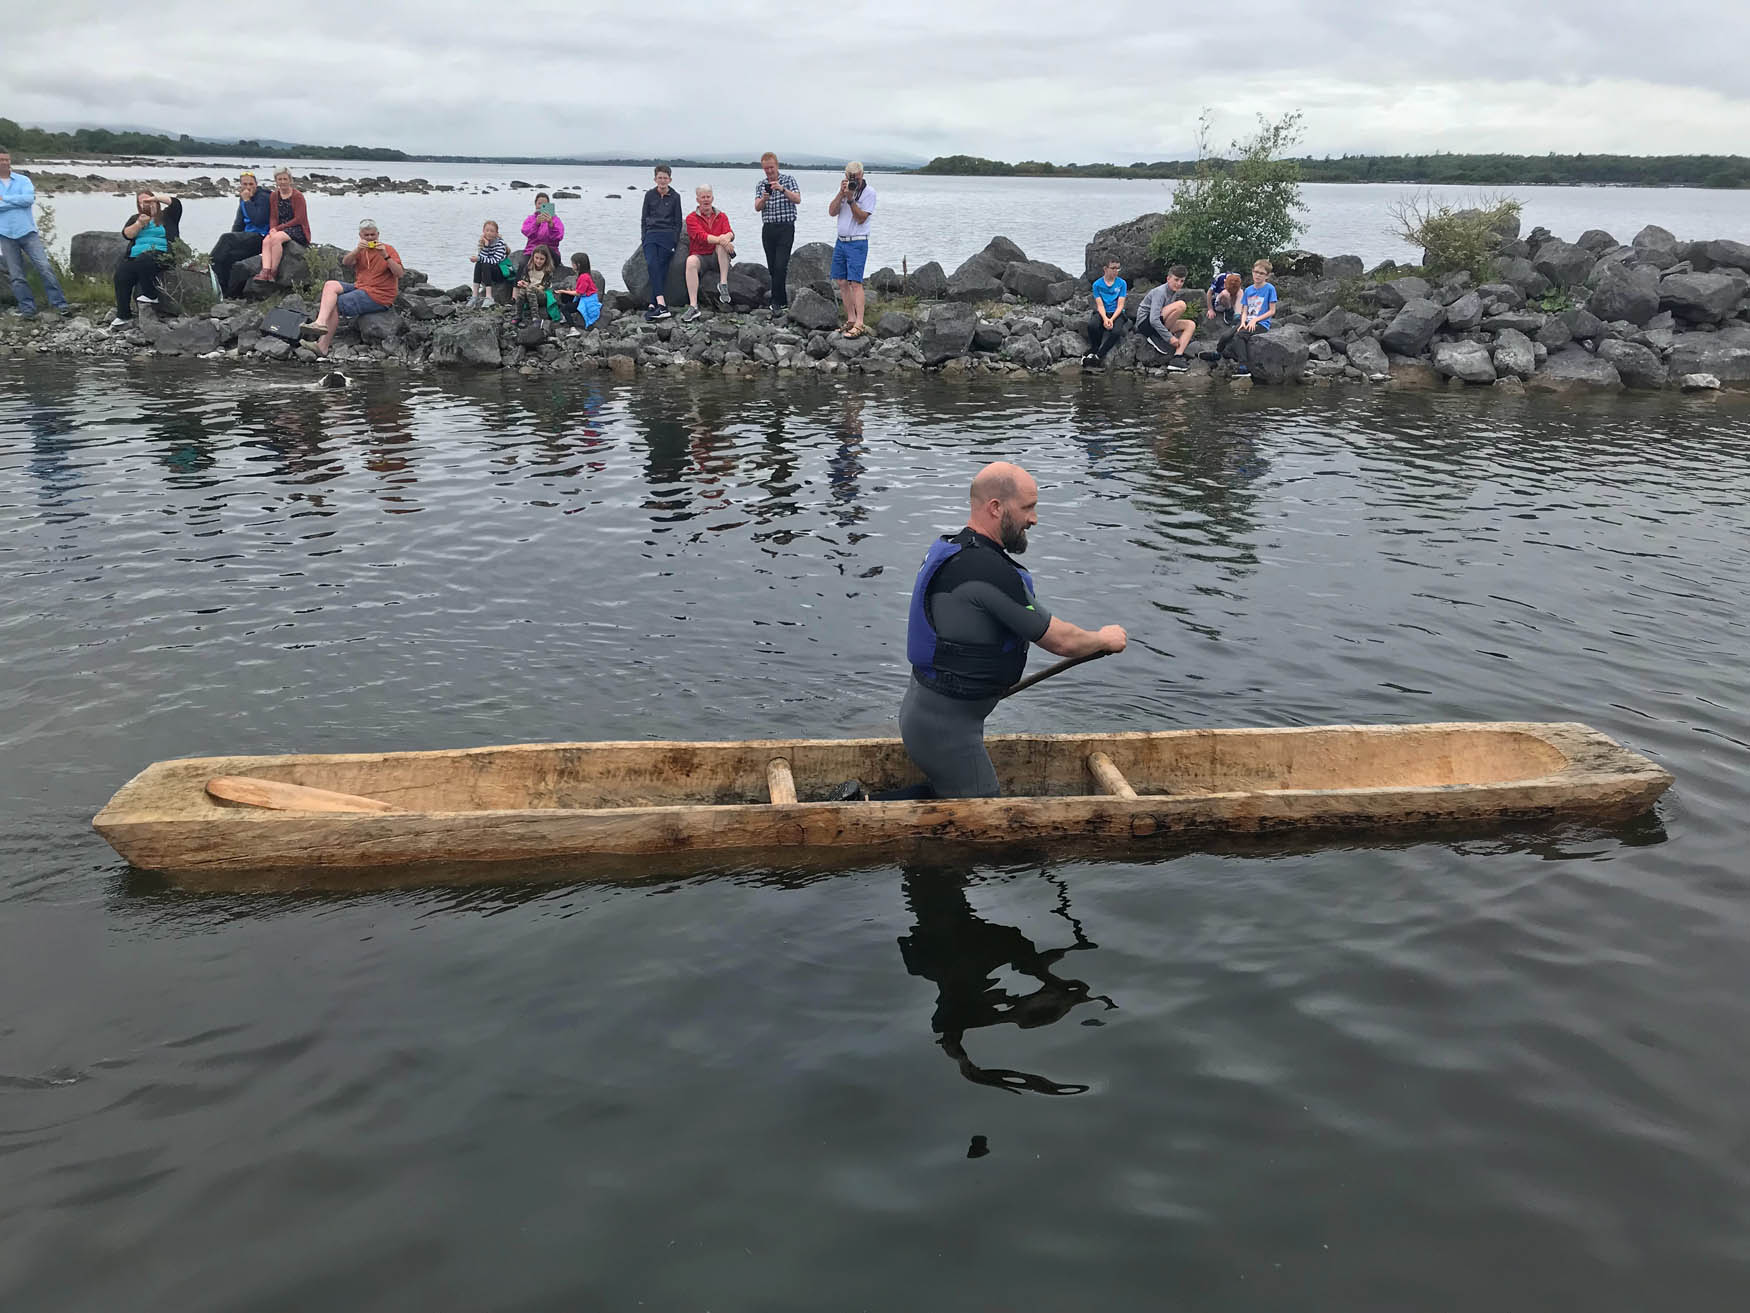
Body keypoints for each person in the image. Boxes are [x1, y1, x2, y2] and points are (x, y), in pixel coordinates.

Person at [898, 462, 1127, 799]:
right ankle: (860, 810)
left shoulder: (955, 550)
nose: (1033, 519)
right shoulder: (987, 571)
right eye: (1028, 508)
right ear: (996, 507)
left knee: (951, 796)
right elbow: (1061, 640)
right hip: (945, 728)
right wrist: (1104, 639)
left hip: (930, 713)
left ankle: (862, 801)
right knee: (983, 812)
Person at [301, 220, 402, 356]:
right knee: (330, 285)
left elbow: (399, 273)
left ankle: (323, 346)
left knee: (335, 303)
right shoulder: (360, 250)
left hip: (379, 295)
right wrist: (357, 250)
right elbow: (346, 262)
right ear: (360, 235)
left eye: (373, 235)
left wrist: (386, 256)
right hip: (360, 287)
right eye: (367, 235)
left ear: (378, 234)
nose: (370, 238)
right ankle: (320, 322)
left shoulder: (388, 249)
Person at [0, 148, 72, 320]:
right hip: (5, 234)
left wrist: (4, 200)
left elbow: (28, 200)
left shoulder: (23, 180)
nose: (4, 163)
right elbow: (21, 201)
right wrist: (16, 201)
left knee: (44, 267)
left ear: (10, 161)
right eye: (1, 160)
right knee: (16, 275)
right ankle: (27, 309)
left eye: (6, 159)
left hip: (28, 232)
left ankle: (60, 304)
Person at [111, 189, 183, 327]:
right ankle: (123, 315)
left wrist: (156, 197)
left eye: (148, 201)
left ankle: (151, 295)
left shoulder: (168, 216)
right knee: (122, 274)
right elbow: (127, 235)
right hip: (136, 256)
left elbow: (176, 203)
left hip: (162, 254)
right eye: (142, 203)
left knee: (144, 260)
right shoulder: (136, 218)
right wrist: (139, 224)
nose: (146, 205)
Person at [828, 161, 876, 337]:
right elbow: (832, 212)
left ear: (862, 175)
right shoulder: (844, 190)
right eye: (850, 177)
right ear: (846, 176)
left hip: (858, 242)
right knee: (841, 281)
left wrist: (851, 199)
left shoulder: (869, 193)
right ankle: (850, 319)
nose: (853, 180)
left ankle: (860, 323)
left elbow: (861, 218)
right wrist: (841, 194)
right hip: (841, 241)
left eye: (856, 177)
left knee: (855, 282)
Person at [753, 151, 800, 319]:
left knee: (781, 265)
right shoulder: (761, 184)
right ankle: (782, 300)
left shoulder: (788, 180)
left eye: (771, 168)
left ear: (777, 165)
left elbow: (797, 199)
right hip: (769, 229)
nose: (769, 171)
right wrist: (764, 198)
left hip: (786, 227)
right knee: (773, 267)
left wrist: (782, 189)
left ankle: (776, 301)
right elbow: (757, 207)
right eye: (766, 169)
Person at [209, 172, 271, 299]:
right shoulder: (243, 197)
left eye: (251, 184)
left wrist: (247, 201)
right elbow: (239, 223)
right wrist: (233, 242)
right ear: (240, 185)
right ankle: (225, 292)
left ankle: (209, 264)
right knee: (228, 257)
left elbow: (258, 220)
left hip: (261, 237)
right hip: (246, 237)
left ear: (256, 185)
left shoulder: (263, 197)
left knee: (226, 238)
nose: (248, 187)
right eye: (245, 184)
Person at [683, 185, 734, 322]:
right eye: (703, 197)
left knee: (721, 245)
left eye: (708, 196)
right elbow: (701, 236)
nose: (706, 200)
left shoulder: (721, 216)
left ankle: (723, 284)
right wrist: (723, 239)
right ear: (697, 199)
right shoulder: (691, 218)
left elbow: (730, 232)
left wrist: (727, 238)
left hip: (718, 256)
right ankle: (693, 306)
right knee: (690, 262)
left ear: (712, 197)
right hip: (700, 256)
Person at [1221, 259, 1280, 376]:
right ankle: (1219, 353)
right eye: (1256, 272)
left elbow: (1272, 311)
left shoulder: (1269, 289)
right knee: (1225, 336)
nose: (1257, 275)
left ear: (1267, 276)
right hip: (1247, 321)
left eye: (1261, 273)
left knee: (1239, 336)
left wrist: (1255, 320)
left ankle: (1243, 365)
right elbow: (1245, 310)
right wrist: (1243, 322)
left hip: (1260, 324)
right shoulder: (1248, 290)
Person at [640, 164, 683, 321]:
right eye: (660, 178)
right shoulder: (649, 195)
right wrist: (644, 237)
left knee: (662, 269)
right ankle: (662, 305)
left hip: (667, 236)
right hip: (651, 234)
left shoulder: (675, 196)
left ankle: (653, 304)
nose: (663, 180)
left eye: (665, 178)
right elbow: (644, 217)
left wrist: (674, 241)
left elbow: (678, 221)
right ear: (655, 179)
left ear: (670, 179)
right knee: (652, 264)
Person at [255, 169, 311, 284]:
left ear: (290, 180)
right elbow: (273, 217)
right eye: (279, 179)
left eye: (285, 179)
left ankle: (273, 272)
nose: (282, 182)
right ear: (276, 181)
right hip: (281, 228)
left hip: (298, 228)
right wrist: (272, 229)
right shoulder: (274, 195)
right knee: (266, 240)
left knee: (276, 239)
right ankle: (265, 271)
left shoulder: (298, 196)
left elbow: (299, 219)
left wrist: (278, 229)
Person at [1133, 264, 1193, 369]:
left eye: (1182, 281)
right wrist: (1169, 338)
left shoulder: (1174, 292)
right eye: (1176, 280)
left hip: (1159, 323)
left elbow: (1168, 315)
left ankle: (1177, 358)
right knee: (1181, 305)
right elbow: (1153, 319)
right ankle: (1157, 337)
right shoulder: (1159, 292)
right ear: (1168, 278)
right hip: (1145, 325)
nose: (1179, 284)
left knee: (1190, 324)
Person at [1082, 258, 1127, 366]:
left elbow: (1120, 305)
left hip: (1117, 313)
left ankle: (1099, 355)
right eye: (1113, 268)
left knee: (1116, 332)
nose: (1116, 271)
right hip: (1103, 312)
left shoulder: (1122, 283)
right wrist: (1105, 318)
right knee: (1092, 326)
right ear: (1105, 269)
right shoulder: (1097, 285)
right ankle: (1095, 347)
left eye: (1117, 268)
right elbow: (1100, 305)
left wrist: (1111, 319)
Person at [553, 252, 600, 335]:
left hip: (587, 301)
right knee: (565, 296)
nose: (572, 265)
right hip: (584, 297)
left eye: (573, 263)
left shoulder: (584, 277)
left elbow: (579, 293)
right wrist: (567, 291)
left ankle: (573, 328)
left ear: (578, 264)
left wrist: (563, 291)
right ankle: (566, 317)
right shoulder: (583, 275)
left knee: (565, 309)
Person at [469, 220, 512, 308]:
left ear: (496, 233)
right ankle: (475, 295)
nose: (489, 233)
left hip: (500, 272)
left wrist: (479, 258)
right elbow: (482, 258)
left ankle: (489, 297)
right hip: (489, 271)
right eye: (487, 230)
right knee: (479, 264)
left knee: (484, 263)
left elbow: (495, 261)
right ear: (483, 231)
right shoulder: (483, 242)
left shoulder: (500, 244)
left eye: (492, 231)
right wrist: (486, 245)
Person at [518, 192, 565, 272]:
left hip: (551, 251)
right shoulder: (531, 219)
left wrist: (551, 225)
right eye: (539, 203)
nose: (541, 206)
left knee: (549, 263)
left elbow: (559, 236)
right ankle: (518, 284)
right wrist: (536, 224)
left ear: (548, 205)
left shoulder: (555, 220)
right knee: (523, 264)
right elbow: (525, 231)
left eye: (544, 204)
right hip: (532, 250)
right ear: (535, 204)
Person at [512, 245, 558, 324]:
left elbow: (542, 287)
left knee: (530, 289)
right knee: (522, 292)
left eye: (541, 259)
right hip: (529, 292)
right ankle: (518, 314)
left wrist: (528, 286)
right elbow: (525, 280)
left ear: (546, 259)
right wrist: (522, 283)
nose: (538, 261)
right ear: (533, 257)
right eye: (536, 258)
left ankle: (535, 316)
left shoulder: (548, 271)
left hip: (542, 295)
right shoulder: (528, 268)